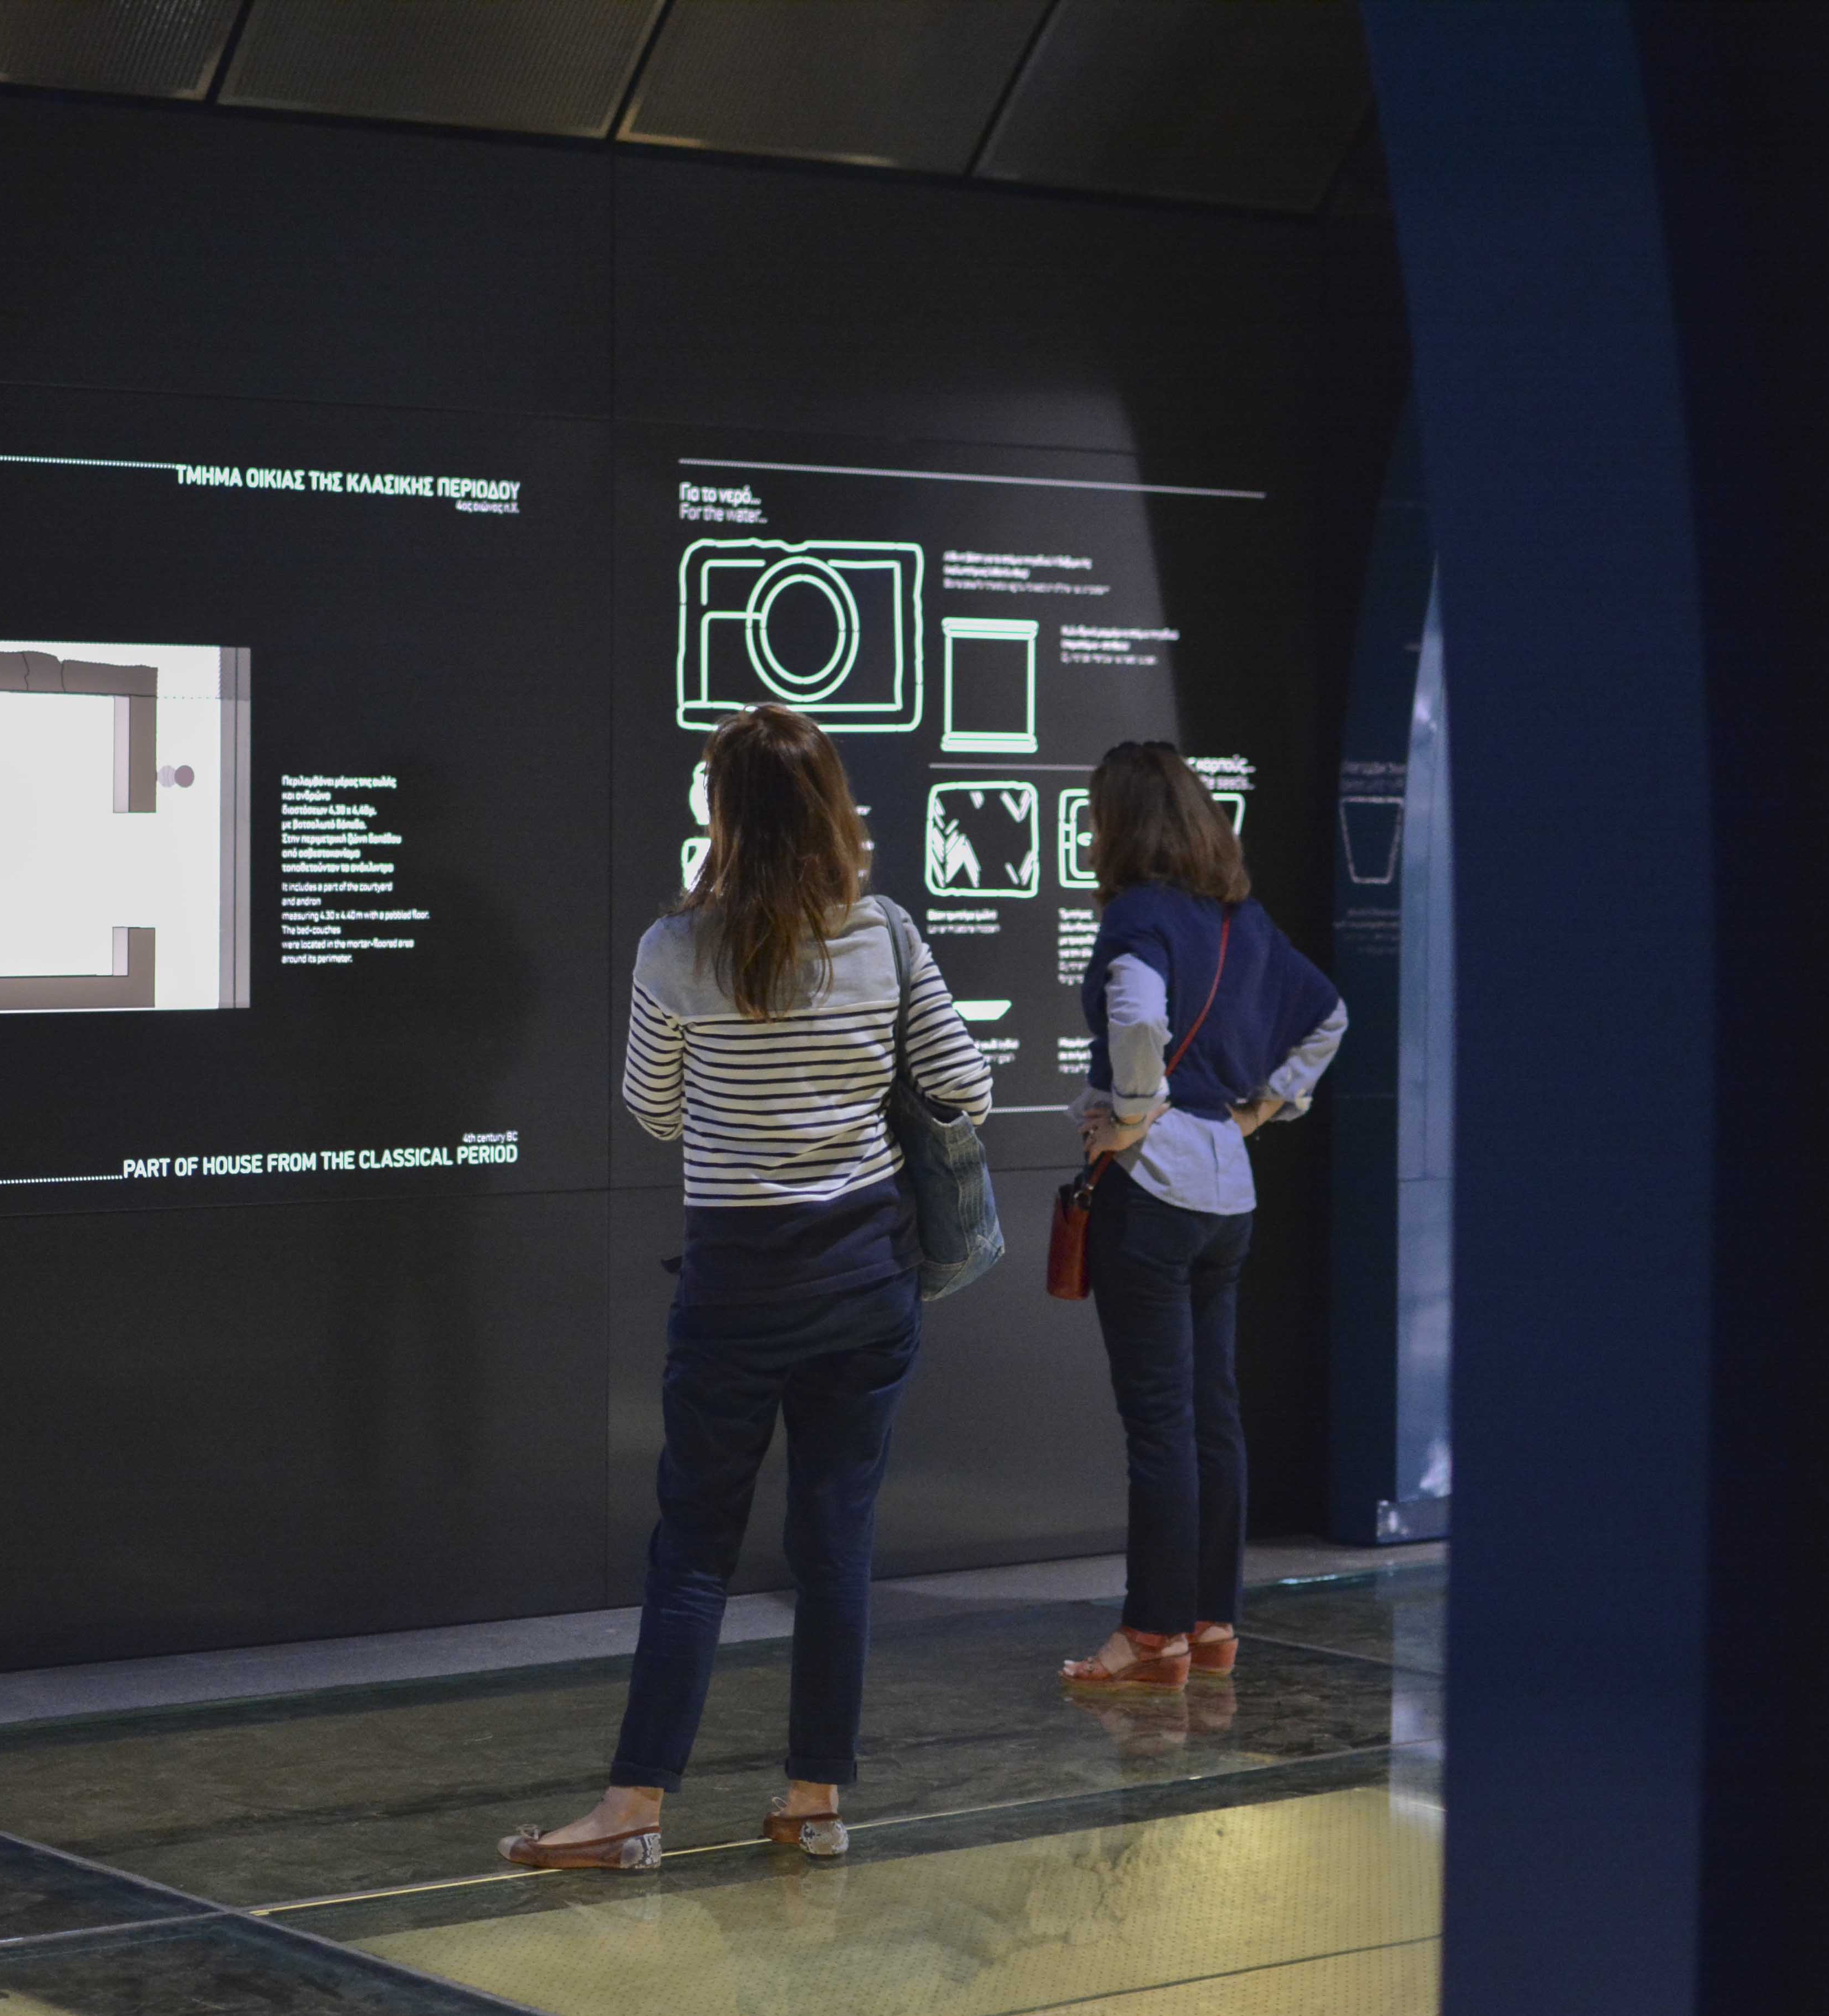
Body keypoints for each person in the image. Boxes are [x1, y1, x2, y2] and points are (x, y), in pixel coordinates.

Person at [502, 704, 989, 1871]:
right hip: (865, 1281)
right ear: (830, 807)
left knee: (694, 1548)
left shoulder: (676, 948)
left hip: (735, 1284)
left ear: (721, 813)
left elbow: (654, 1109)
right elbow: (965, 1086)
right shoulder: (884, 933)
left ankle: (634, 1807)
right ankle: (815, 1799)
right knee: (835, 1545)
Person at [1061, 742, 1346, 1693]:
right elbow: (1330, 1017)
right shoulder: (1243, 920)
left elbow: (1139, 1016)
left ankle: (1152, 1636)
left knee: (1160, 1424)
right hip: (1228, 1188)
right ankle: (1212, 1621)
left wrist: (1132, 1115)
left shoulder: (1137, 914)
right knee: (1213, 1414)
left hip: (1152, 1186)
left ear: (1122, 823)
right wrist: (1260, 1113)